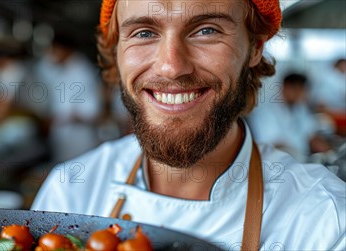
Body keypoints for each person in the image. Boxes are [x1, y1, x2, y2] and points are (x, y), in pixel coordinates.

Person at [31, 0, 345, 250]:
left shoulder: (324, 221)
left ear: (255, 47)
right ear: (117, 50)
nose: (171, 67)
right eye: (143, 33)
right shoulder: (70, 191)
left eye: (206, 30)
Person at [33, 34, 102, 162]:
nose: (52, 55)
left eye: (55, 50)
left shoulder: (83, 72)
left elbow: (91, 111)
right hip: (61, 133)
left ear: (65, 49)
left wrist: (61, 118)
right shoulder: (59, 68)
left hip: (78, 136)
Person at [249, 73, 331, 161]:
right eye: (299, 90)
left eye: (303, 91)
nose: (302, 95)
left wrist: (318, 144)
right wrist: (297, 157)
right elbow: (273, 145)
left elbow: (309, 132)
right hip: (279, 162)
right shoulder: (266, 112)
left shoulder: (299, 107)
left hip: (303, 159)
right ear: (286, 88)